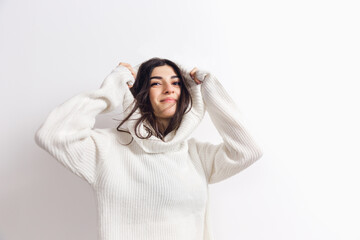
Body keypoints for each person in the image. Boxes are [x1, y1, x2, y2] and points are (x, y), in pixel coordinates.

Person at [34, 57, 263, 240]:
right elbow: (53, 134)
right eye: (156, 83)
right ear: (140, 93)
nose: (168, 89)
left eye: (176, 83)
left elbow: (247, 150)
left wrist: (210, 90)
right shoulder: (107, 149)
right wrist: (113, 87)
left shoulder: (196, 155)